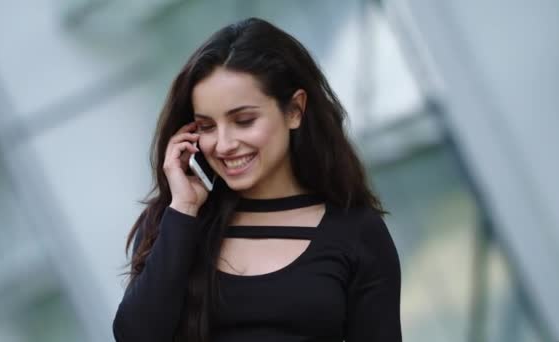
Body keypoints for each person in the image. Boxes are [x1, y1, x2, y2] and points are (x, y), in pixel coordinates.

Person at [112, 17, 401, 342]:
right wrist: (183, 210)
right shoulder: (174, 222)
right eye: (207, 126)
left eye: (244, 120)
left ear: (294, 110)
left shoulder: (356, 231)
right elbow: (135, 337)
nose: (223, 144)